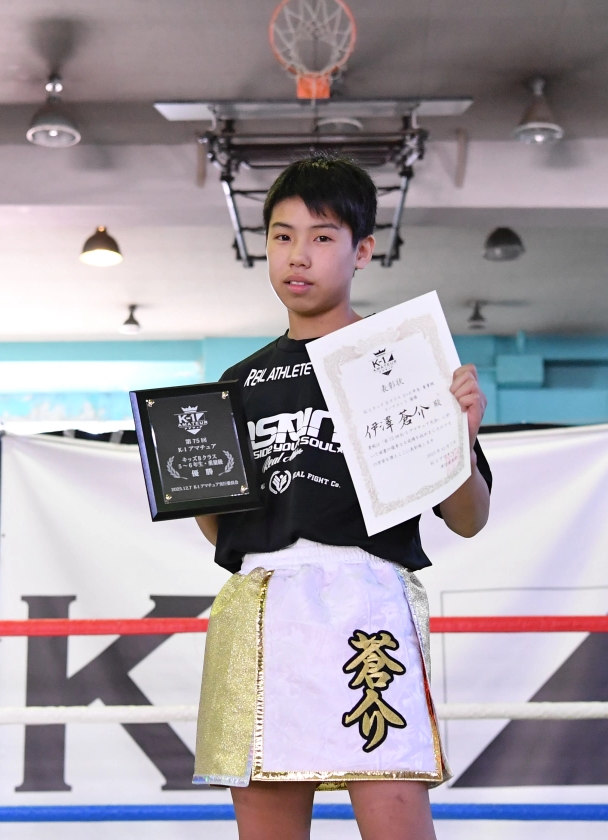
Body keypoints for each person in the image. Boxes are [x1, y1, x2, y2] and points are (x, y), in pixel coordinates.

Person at [191, 155, 492, 840]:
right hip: (261, 603)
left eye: (322, 237)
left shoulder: (404, 359)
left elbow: (468, 518)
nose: (298, 255)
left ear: (362, 250)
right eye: (282, 235)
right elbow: (225, 533)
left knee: (395, 818)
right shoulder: (234, 383)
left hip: (366, 601)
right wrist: (189, 478)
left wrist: (461, 438)